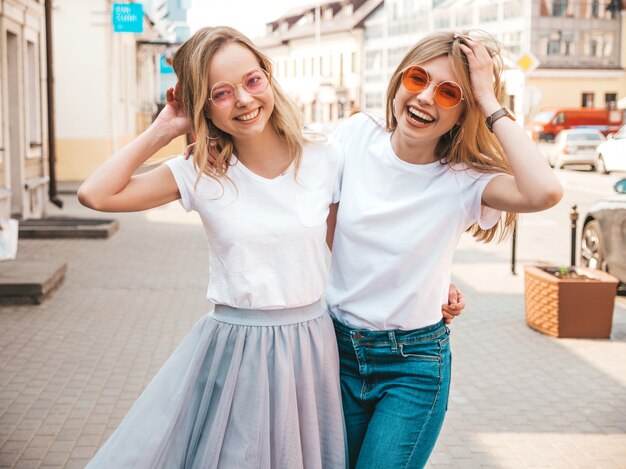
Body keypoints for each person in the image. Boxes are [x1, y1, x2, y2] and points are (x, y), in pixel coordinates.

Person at [78, 26, 348, 468]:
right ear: (201, 105)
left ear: (268, 76)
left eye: (252, 81)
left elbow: (348, 250)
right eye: (220, 93)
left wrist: (429, 291)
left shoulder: (323, 156)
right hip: (236, 347)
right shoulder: (200, 172)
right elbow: (96, 194)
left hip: (312, 345)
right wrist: (164, 129)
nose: (243, 99)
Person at [325, 31, 563, 468]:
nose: (426, 98)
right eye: (418, 79)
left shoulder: (463, 179)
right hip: (334, 350)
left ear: (464, 112)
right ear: (399, 81)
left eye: (449, 92)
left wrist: (490, 101)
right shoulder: (356, 135)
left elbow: (544, 192)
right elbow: (332, 228)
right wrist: (420, 275)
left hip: (412, 367)